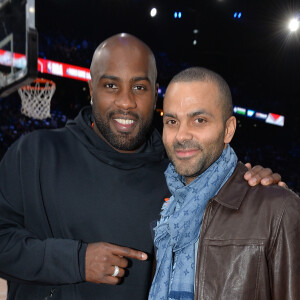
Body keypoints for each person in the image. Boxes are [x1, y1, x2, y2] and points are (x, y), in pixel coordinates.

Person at [0, 34, 283, 300]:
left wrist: (260, 193)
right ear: (90, 90)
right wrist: (76, 261)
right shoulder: (35, 154)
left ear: (155, 93)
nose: (126, 101)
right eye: (111, 85)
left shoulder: (183, 176)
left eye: (139, 87)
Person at [149, 67, 300, 300]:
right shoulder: (164, 207)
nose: (181, 135)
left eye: (199, 120)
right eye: (172, 121)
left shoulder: (278, 209)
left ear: (228, 130)